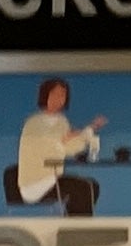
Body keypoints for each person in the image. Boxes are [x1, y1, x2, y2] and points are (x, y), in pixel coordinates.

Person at [13, 77, 105, 214]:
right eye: (54, 94)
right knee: (82, 188)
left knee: (93, 185)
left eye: (63, 95)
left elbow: (71, 148)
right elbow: (54, 146)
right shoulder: (33, 123)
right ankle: (78, 229)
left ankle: (75, 225)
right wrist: (73, 137)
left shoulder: (62, 121)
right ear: (45, 95)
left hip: (53, 178)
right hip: (35, 182)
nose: (59, 98)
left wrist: (87, 131)